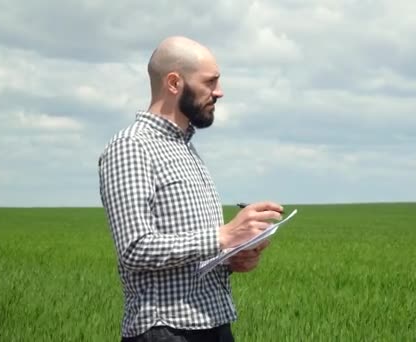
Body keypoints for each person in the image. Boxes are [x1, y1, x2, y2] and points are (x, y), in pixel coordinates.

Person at [98, 36, 284, 342]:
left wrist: (232, 255)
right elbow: (134, 248)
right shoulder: (131, 147)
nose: (219, 92)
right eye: (210, 82)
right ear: (174, 83)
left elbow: (190, 250)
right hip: (166, 331)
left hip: (213, 324)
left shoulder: (186, 149)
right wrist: (223, 235)